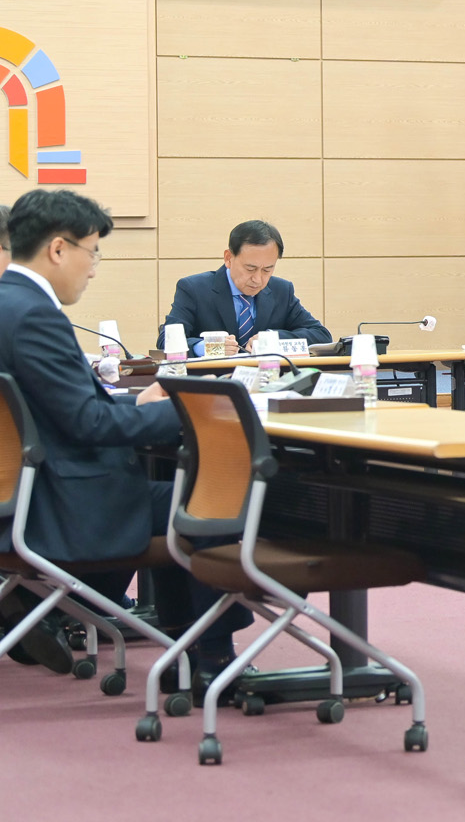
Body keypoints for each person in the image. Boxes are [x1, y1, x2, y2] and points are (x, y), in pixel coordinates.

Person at [0, 190, 247, 676]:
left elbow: (54, 410)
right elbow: (88, 424)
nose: (93, 269)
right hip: (63, 505)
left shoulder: (10, 305)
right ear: (58, 249)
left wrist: (138, 404)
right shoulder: (35, 316)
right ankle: (209, 659)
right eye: (92, 253)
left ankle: (184, 652)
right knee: (218, 502)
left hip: (22, 494)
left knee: (180, 494)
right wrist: (187, 412)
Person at [159, 219, 330, 356]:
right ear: (228, 258)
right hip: (212, 381)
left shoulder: (281, 290)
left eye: (267, 270)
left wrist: (271, 339)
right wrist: (210, 348)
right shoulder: (194, 289)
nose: (258, 279)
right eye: (250, 268)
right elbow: (166, 340)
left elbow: (321, 335)